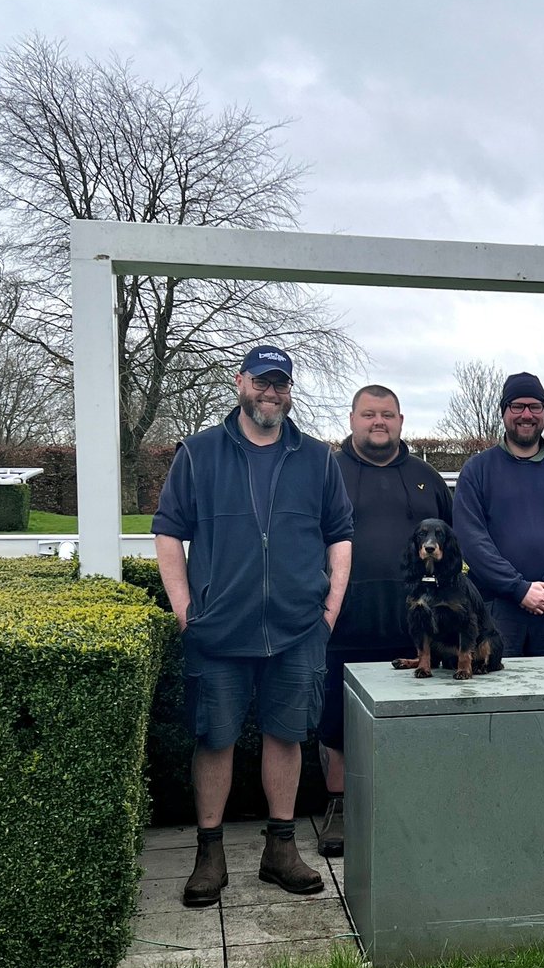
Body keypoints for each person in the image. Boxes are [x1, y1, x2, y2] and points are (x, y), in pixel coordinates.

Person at [153, 344, 353, 908]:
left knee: (286, 735)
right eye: (261, 382)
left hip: (296, 629)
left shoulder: (317, 458)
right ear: (240, 383)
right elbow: (168, 530)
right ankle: (209, 854)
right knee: (214, 738)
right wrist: (185, 609)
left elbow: (340, 534)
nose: (271, 392)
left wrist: (329, 610)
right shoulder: (198, 453)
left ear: (290, 391)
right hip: (219, 630)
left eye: (280, 384)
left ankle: (281, 849)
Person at [314, 384, 453, 856]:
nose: (379, 422)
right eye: (369, 414)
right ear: (352, 418)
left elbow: (452, 550)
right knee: (337, 724)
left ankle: (410, 810)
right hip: (342, 623)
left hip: (415, 628)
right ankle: (341, 812)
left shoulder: (426, 478)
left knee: (412, 723)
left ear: (401, 420)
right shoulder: (325, 472)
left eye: (388, 415)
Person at [452, 372, 544, 657]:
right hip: (497, 611)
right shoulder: (477, 470)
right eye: (517, 406)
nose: (526, 414)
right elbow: (472, 540)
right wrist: (518, 588)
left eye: (535, 407)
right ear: (504, 412)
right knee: (497, 697)